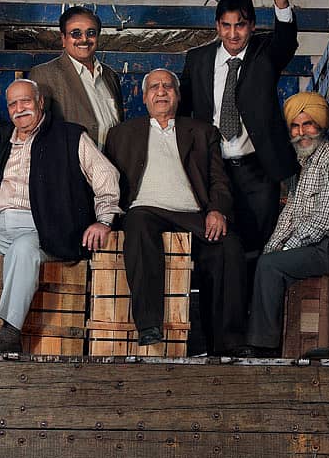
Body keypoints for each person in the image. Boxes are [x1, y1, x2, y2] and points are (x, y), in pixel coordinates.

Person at [0, 78, 121, 354]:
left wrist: (104, 220)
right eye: (13, 104)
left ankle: (9, 331)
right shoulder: (2, 147)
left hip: (44, 227)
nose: (20, 109)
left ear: (40, 103)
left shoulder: (69, 136)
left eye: (26, 101)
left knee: (22, 249)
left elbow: (106, 177)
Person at [105, 69, 246, 353]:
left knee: (229, 246)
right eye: (154, 87)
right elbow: (107, 181)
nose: (161, 91)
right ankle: (148, 325)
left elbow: (219, 179)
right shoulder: (121, 134)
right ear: (144, 97)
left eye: (168, 86)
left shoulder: (202, 131)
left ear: (178, 96)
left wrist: (217, 209)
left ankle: (227, 343)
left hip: (193, 214)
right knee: (137, 221)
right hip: (146, 211)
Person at [180, 0, 298, 255]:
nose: (233, 34)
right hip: (213, 169)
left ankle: (253, 301)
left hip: (258, 170)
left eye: (241, 26)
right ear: (217, 26)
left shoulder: (264, 53)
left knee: (259, 247)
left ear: (252, 26)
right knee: (216, 246)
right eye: (227, 26)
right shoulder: (198, 60)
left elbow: (285, 41)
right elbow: (183, 114)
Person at [244, 91, 329, 356]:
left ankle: (264, 348)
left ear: (321, 125)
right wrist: (273, 246)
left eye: (308, 124)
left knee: (270, 266)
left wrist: (286, 250)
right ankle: (256, 338)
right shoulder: (301, 164)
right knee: (259, 259)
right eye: (295, 125)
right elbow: (290, 214)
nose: (301, 132)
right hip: (310, 246)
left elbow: (324, 221)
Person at [30, 6, 123, 148]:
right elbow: (37, 135)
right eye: (76, 33)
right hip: (69, 168)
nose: (84, 39)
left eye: (90, 33)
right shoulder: (44, 75)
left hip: (110, 167)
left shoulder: (110, 76)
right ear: (63, 38)